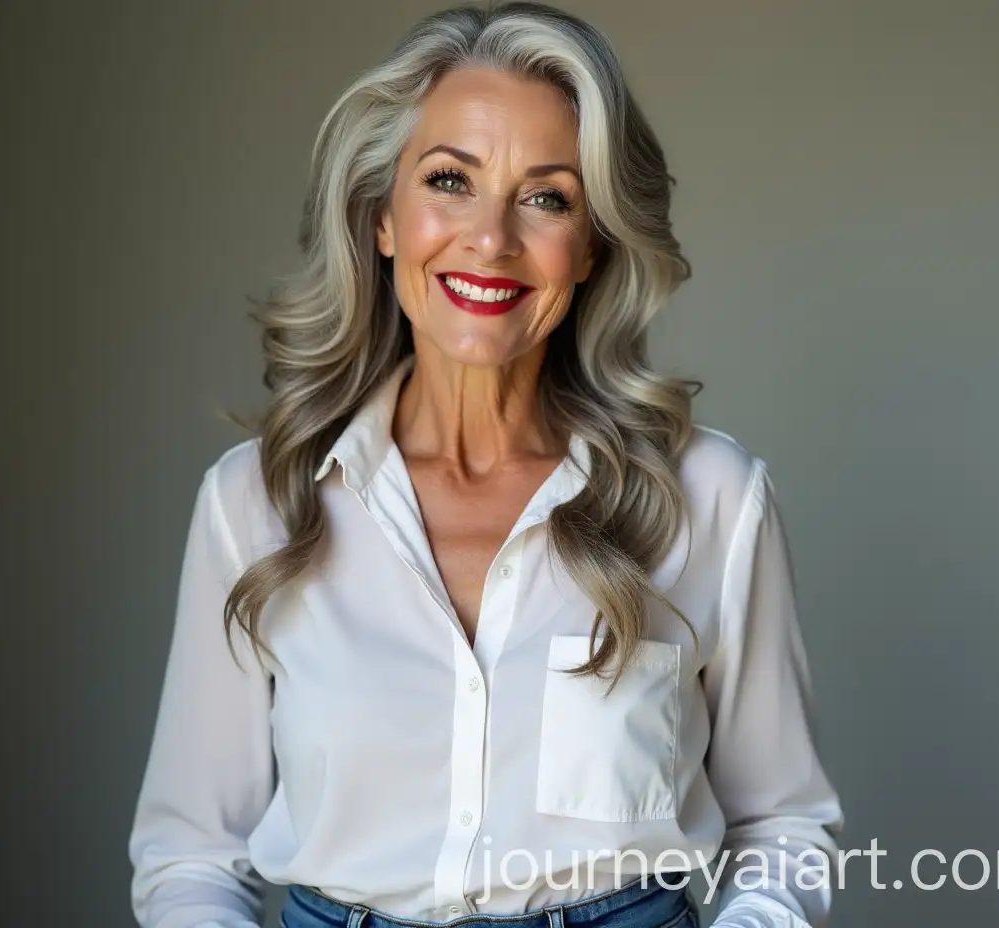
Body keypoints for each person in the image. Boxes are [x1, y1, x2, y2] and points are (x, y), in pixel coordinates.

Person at [127, 3, 844, 927]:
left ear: (591, 246)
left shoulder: (711, 501)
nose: (492, 238)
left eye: (547, 198)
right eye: (449, 181)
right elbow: (191, 856)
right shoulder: (255, 504)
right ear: (383, 218)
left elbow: (784, 827)